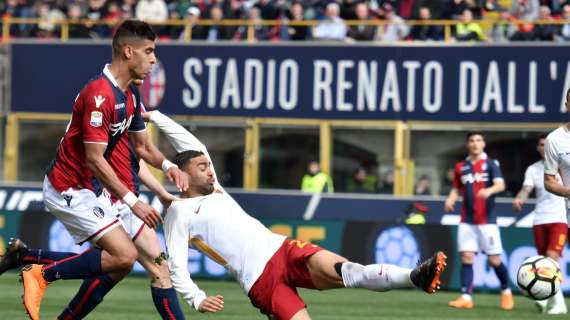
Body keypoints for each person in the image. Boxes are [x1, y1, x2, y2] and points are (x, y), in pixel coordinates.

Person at [145, 110, 447, 319]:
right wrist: (196, 297)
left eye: (209, 165)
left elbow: (192, 144)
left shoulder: (216, 189)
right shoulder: (178, 213)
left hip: (283, 249)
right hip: (260, 280)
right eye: (202, 168)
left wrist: (155, 117)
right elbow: (176, 266)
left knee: (348, 272)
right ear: (182, 173)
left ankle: (414, 276)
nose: (210, 170)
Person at [19, 20, 189, 320]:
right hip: (67, 187)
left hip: (96, 189)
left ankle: (33, 262)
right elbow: (94, 159)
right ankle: (41, 273)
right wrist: (133, 201)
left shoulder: (131, 93)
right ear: (127, 52)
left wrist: (168, 165)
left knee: (124, 262)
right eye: (148, 51)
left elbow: (141, 148)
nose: (153, 60)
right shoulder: (100, 96)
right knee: (123, 256)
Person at [444, 131, 514, 310]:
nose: (475, 143)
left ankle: (506, 291)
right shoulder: (461, 166)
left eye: (478, 140)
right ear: (468, 145)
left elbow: (501, 184)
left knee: (494, 260)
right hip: (466, 220)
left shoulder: (491, 164)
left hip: (487, 221)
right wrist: (451, 199)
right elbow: (456, 188)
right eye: (472, 141)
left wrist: (488, 191)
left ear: (483, 144)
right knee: (467, 257)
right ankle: (466, 297)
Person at [513, 134, 567, 314]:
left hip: (560, 218)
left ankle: (559, 304)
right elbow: (526, 189)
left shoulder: (564, 166)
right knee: (543, 263)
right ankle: (544, 298)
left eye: (548, 144)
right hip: (540, 219)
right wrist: (520, 199)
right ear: (538, 148)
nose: (545, 147)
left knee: (552, 257)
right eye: (542, 145)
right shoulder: (533, 169)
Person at [541, 89, 570, 315]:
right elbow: (549, 181)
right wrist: (567, 191)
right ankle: (556, 300)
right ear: (567, 105)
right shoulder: (555, 140)